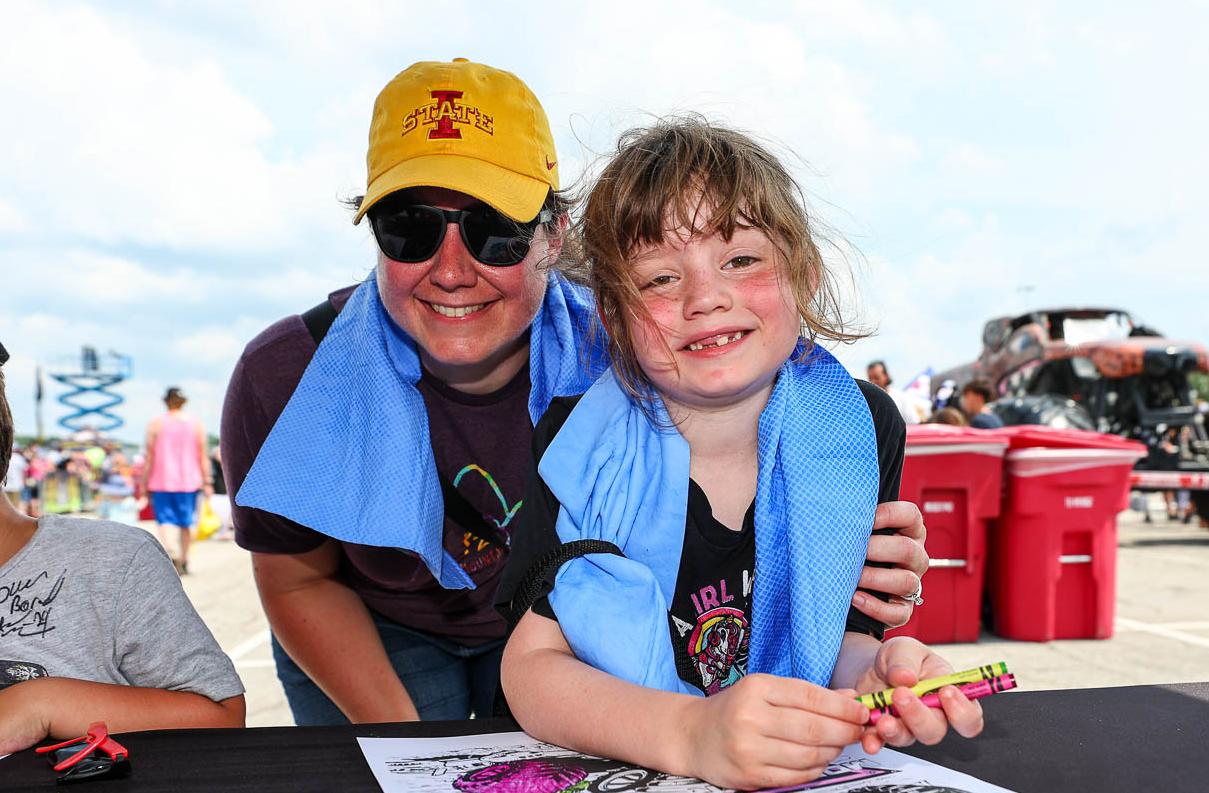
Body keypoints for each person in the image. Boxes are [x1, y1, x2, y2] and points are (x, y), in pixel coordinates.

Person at [222, 59, 930, 727]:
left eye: (495, 232)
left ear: (554, 236)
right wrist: (408, 751)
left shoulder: (645, 348)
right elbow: (297, 579)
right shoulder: (287, 378)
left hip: (578, 624)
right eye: (409, 228)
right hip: (384, 622)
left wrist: (840, 558)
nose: (452, 270)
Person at [496, 118, 981, 791]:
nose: (705, 299)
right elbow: (529, 670)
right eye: (659, 279)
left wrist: (872, 673)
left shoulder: (860, 428)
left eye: (741, 261)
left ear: (804, 272)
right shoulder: (575, 442)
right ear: (611, 316)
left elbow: (834, 634)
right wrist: (690, 734)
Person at [0, 333, 245, 762]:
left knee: (174, 523)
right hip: (181, 483)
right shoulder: (187, 424)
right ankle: (183, 551)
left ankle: (181, 552)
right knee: (179, 523)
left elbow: (220, 716)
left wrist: (42, 702)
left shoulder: (110, 563)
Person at [141, 386, 213, 575]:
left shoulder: (156, 423)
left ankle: (171, 551)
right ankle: (185, 558)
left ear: (166, 401)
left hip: (161, 480)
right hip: (190, 481)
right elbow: (202, 455)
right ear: (184, 401)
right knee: (187, 522)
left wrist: (143, 483)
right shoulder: (196, 423)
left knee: (165, 520)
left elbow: (149, 456)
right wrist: (207, 481)